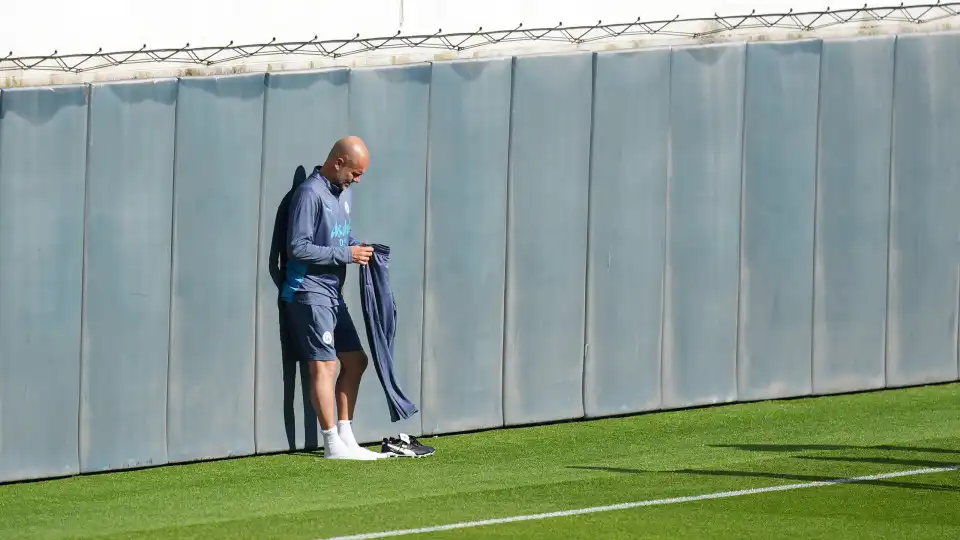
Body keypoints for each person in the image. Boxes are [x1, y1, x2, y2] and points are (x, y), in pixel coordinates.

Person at [280, 136, 382, 460]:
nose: (358, 180)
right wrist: (346, 253)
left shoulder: (344, 194)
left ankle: (346, 434)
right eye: (355, 173)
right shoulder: (309, 194)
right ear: (338, 162)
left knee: (356, 361)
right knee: (324, 365)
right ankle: (331, 444)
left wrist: (359, 248)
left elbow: (339, 237)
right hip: (309, 290)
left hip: (332, 292)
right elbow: (298, 247)